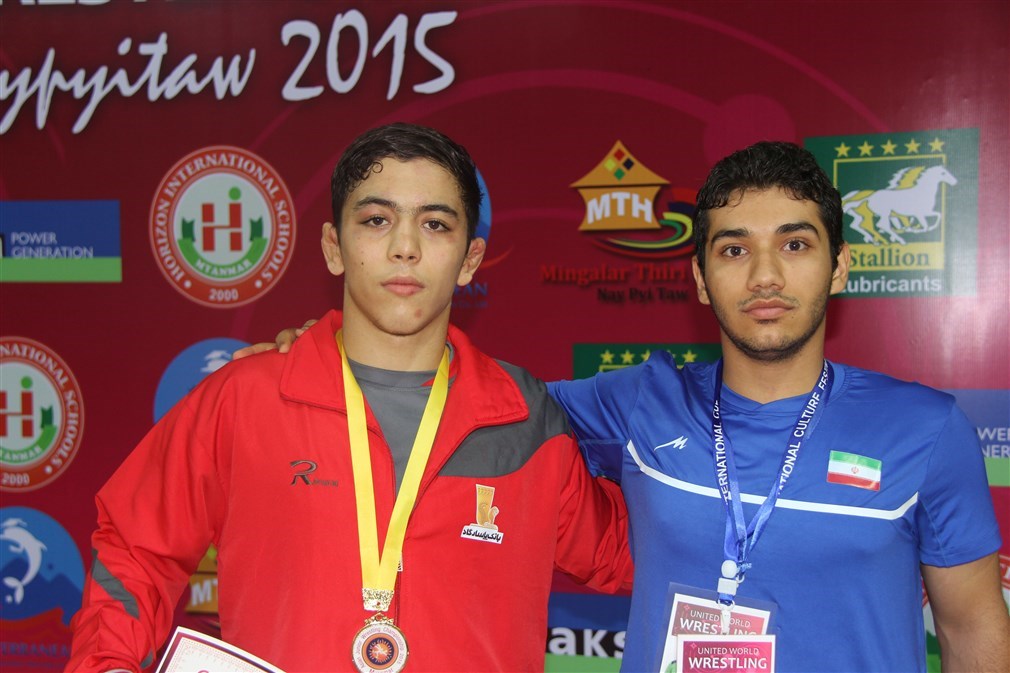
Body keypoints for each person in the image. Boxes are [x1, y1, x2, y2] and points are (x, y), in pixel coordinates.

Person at [259, 141, 1008, 672]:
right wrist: (329, 353)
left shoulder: (925, 429)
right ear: (700, 277)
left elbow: (972, 628)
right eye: (734, 249)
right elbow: (457, 401)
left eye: (796, 245)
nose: (766, 276)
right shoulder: (641, 400)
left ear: (839, 265)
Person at [67, 123, 632, 673]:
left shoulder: (524, 418)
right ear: (334, 247)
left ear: (469, 260)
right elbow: (135, 546)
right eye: (377, 220)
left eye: (435, 224)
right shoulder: (244, 399)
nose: (405, 247)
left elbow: (626, 556)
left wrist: (684, 430)